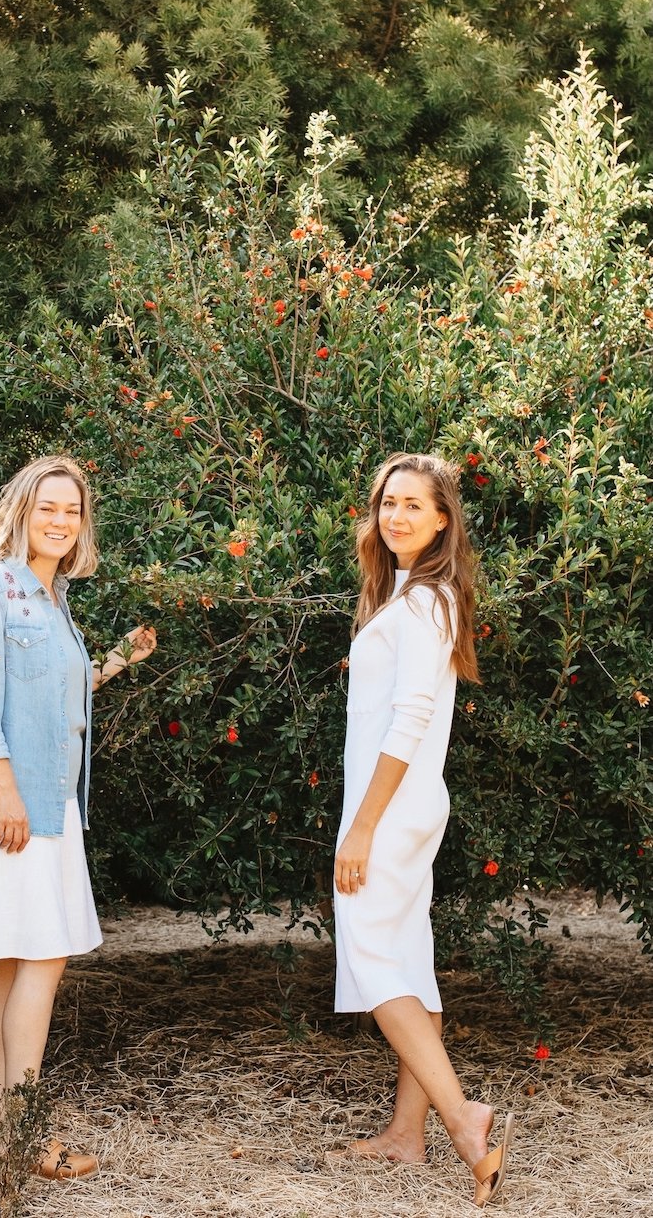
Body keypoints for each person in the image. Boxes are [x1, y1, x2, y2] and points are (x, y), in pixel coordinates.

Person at [0, 454, 156, 1182]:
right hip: (12, 806)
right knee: (43, 958)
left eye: (72, 511)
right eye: (47, 507)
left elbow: (52, 692)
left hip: (43, 799)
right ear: (19, 512)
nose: (60, 521)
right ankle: (24, 1134)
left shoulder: (52, 601)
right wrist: (10, 794)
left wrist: (115, 662)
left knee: (7, 964)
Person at [331, 452, 514, 1208]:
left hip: (392, 806)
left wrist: (362, 827)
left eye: (414, 505)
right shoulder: (409, 597)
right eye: (388, 504)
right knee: (406, 956)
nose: (397, 516)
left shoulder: (427, 602)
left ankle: (463, 1119)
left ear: (443, 520)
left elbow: (406, 723)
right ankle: (408, 1135)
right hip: (405, 804)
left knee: (376, 960)